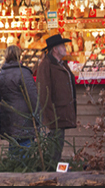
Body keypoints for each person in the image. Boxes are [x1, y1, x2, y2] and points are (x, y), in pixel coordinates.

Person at [37, 34, 77, 164]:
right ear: (55, 49)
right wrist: (50, 116)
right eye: (62, 46)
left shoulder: (61, 64)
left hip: (62, 113)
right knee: (54, 147)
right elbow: (44, 92)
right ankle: (50, 173)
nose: (65, 48)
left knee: (58, 144)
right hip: (54, 115)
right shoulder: (46, 65)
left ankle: (54, 170)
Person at [0, 45, 38, 156]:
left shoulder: (2, 74)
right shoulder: (23, 73)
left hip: (8, 117)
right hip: (24, 117)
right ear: (19, 56)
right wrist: (38, 117)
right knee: (25, 149)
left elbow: (1, 97)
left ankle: (13, 170)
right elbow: (33, 97)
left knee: (13, 147)